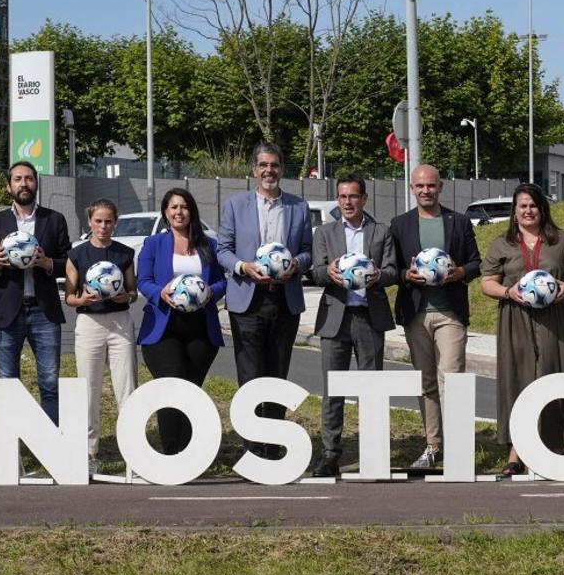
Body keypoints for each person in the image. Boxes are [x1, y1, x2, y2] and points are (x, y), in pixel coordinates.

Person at [480, 183, 564, 476]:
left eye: (533, 205)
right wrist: (507, 292)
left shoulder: (560, 240)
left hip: (554, 316)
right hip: (515, 317)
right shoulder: (502, 244)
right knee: (519, 377)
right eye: (522, 206)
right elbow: (486, 282)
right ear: (515, 212)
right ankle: (516, 452)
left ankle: (559, 444)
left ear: (542, 209)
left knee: (556, 373)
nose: (528, 211)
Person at [217, 142, 311, 458]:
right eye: (263, 165)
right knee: (250, 373)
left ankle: (274, 440)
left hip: (284, 299)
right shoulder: (235, 205)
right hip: (247, 299)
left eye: (274, 165)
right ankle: (253, 445)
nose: (269, 170)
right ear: (254, 170)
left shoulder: (299, 207)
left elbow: (308, 251)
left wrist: (296, 263)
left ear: (282, 169)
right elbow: (223, 250)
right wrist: (244, 267)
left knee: (277, 371)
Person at [389, 164, 481, 470]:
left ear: (440, 187)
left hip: (450, 312)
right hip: (416, 313)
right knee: (425, 381)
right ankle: (433, 445)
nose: (425, 191)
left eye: (431, 186)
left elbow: (475, 262)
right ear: (412, 189)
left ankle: (457, 446)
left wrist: (459, 272)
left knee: (451, 378)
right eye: (420, 186)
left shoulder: (459, 222)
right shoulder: (400, 224)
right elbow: (392, 267)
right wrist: (405, 274)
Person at [310, 174, 398, 478]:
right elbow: (316, 271)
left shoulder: (381, 231)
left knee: (371, 389)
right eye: (343, 197)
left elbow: (392, 270)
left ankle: (373, 454)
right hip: (335, 318)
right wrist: (329, 272)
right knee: (332, 391)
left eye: (354, 196)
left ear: (364, 199)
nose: (348, 202)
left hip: (369, 318)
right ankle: (331, 454)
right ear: (338, 200)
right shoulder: (325, 231)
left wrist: (378, 276)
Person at [0, 161, 71, 424]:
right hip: (7, 312)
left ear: (36, 184)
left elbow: (69, 263)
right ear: (9, 186)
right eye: (18, 179)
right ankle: (13, 449)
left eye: (29, 178)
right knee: (8, 383)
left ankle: (52, 442)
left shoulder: (54, 220)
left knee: (50, 381)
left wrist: (48, 263)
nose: (24, 184)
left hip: (44, 311)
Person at [137, 188, 226, 455]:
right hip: (164, 327)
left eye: (184, 207)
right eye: (173, 207)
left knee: (191, 391)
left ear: (192, 211)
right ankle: (171, 452)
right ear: (166, 212)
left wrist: (213, 291)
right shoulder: (153, 244)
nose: (179, 212)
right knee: (171, 387)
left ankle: (190, 454)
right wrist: (160, 293)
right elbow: (143, 281)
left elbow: (222, 281)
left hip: (200, 327)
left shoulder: (209, 244)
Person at [66, 199, 138, 473]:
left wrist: (126, 296)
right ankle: (89, 454)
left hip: (120, 322)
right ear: (90, 222)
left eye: (108, 221)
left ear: (115, 222)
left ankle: (134, 452)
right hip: (89, 323)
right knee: (88, 388)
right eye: (98, 221)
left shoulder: (125, 253)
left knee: (126, 387)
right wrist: (82, 298)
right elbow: (69, 298)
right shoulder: (78, 255)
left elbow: (133, 292)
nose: (103, 226)